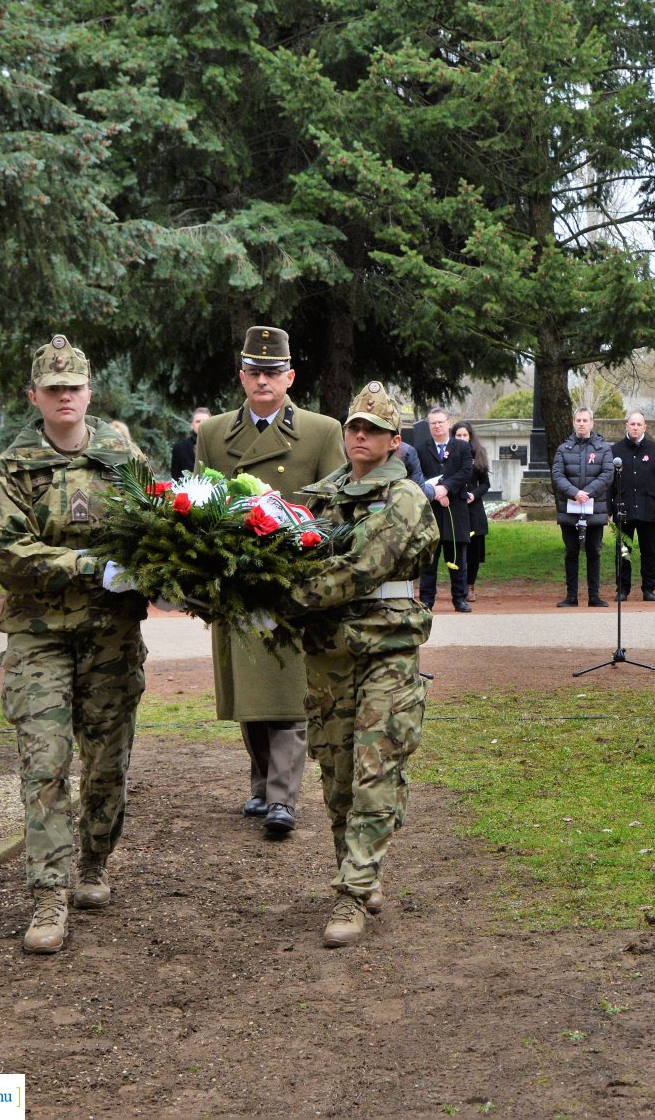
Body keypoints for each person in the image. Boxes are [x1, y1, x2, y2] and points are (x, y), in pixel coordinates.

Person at [0, 336, 150, 954]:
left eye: (73, 387)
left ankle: (95, 862)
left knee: (108, 763)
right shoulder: (12, 468)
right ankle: (48, 895)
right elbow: (5, 552)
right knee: (46, 764)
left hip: (111, 638)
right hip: (40, 638)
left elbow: (159, 523)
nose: (65, 397)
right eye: (53, 390)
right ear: (35, 397)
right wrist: (82, 564)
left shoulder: (123, 454)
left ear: (88, 392)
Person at [282, 382, 439, 947]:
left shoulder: (404, 499)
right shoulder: (319, 496)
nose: (360, 436)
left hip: (386, 648)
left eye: (373, 429)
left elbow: (359, 567)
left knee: (376, 769)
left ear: (395, 441)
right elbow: (284, 542)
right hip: (329, 651)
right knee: (337, 776)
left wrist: (284, 594)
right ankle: (359, 868)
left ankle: (352, 892)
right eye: (353, 427)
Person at [196, 325, 345, 839]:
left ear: (290, 377)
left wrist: (300, 539)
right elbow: (201, 505)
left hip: (291, 579)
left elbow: (333, 507)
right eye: (255, 372)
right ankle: (261, 782)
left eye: (273, 372)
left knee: (286, 689)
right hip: (237, 580)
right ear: (242, 376)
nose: (264, 380)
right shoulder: (213, 433)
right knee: (250, 692)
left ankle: (283, 797)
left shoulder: (323, 431)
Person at [551, 407, 612, 608]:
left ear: (592, 423)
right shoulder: (563, 449)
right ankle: (571, 596)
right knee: (571, 551)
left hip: (595, 508)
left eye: (585, 420)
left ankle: (594, 596)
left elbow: (607, 474)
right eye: (578, 420)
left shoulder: (603, 448)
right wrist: (574, 493)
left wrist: (587, 493)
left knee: (594, 551)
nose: (582, 424)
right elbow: (558, 475)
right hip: (570, 507)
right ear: (573, 422)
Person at [416, 407, 475, 613]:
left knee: (457, 556)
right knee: (429, 559)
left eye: (440, 422)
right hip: (431, 510)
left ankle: (459, 598)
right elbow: (417, 476)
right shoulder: (421, 449)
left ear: (448, 423)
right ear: (429, 425)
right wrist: (435, 493)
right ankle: (426, 600)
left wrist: (446, 488)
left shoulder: (462, 447)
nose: (437, 426)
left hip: (455, 508)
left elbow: (466, 472)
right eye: (433, 423)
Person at [610, 412, 655, 601]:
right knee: (623, 551)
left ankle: (649, 589)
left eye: (639, 424)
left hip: (647, 508)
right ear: (626, 426)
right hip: (623, 508)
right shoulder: (615, 451)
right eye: (632, 424)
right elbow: (609, 482)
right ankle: (622, 589)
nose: (635, 427)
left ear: (645, 427)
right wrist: (608, 510)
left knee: (648, 551)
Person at [451, 422, 491, 603]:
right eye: (458, 436)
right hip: (455, 508)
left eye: (464, 435)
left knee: (474, 551)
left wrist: (473, 495)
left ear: (470, 437)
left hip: (473, 509)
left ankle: (470, 586)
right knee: (457, 550)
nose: (461, 439)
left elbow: (485, 484)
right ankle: (458, 586)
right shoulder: (449, 455)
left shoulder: (479, 455)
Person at [169, 406, 210, 477]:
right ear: (191, 425)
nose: (201, 424)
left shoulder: (219, 447)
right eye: (198, 421)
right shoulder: (179, 447)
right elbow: (175, 477)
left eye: (205, 421)